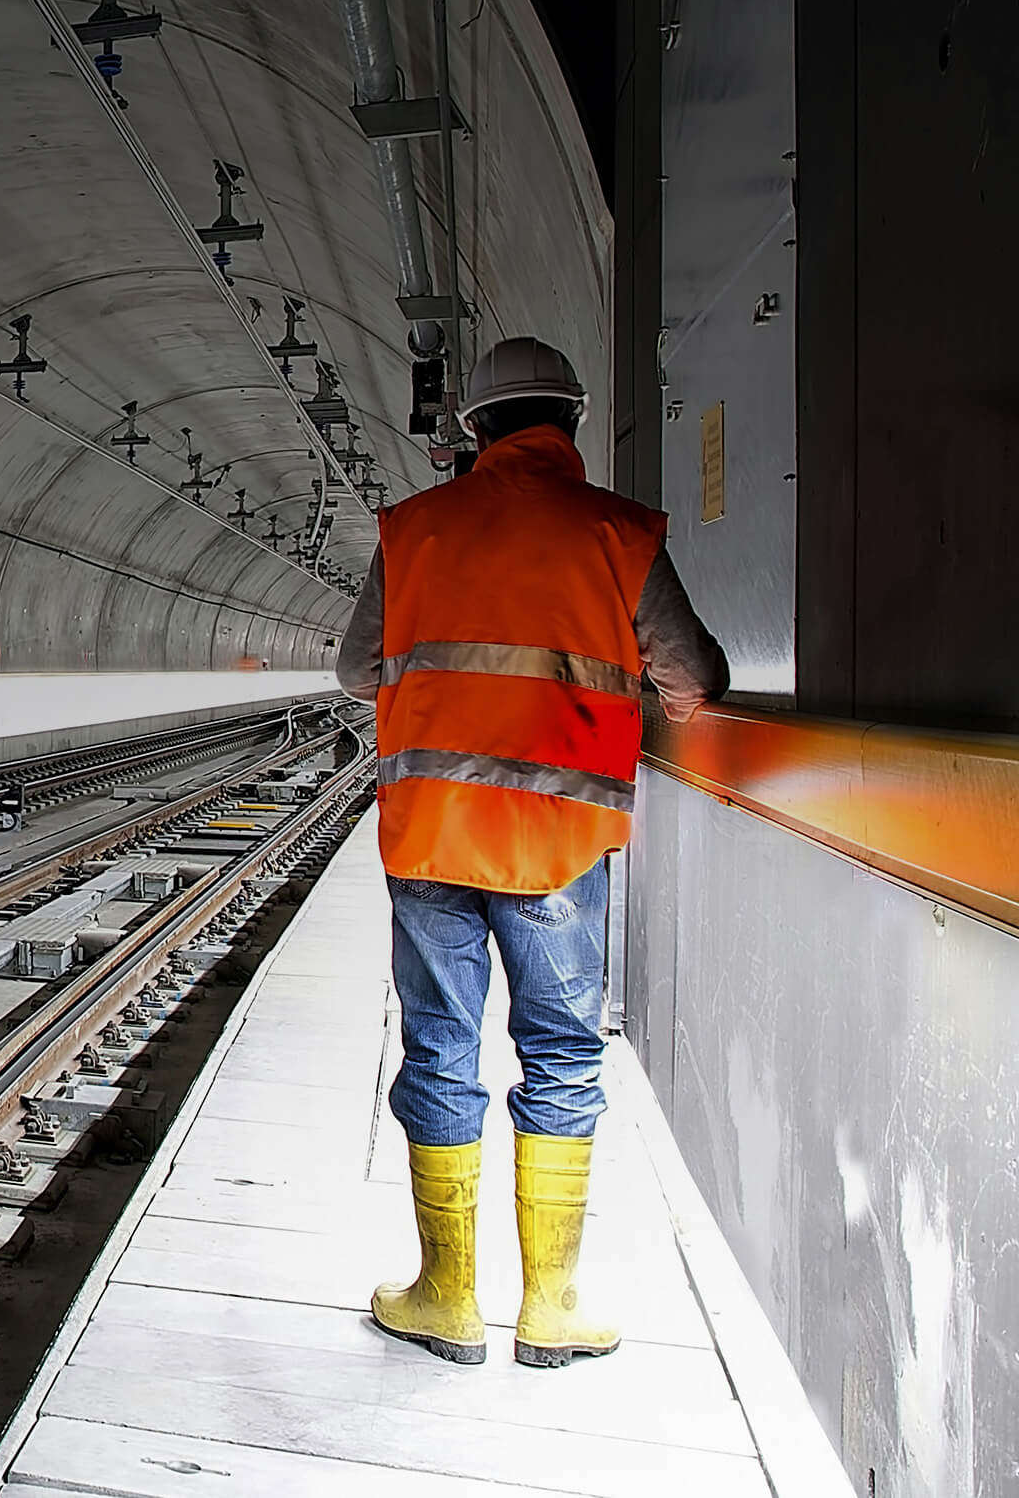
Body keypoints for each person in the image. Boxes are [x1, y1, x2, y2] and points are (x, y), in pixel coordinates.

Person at [336, 336, 727, 1369]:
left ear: (472, 428)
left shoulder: (412, 530)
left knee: (440, 1045)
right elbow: (694, 677)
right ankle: (550, 1304)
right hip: (557, 842)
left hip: (430, 837)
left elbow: (353, 668)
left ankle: (445, 1296)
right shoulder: (619, 534)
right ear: (573, 420)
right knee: (559, 1051)